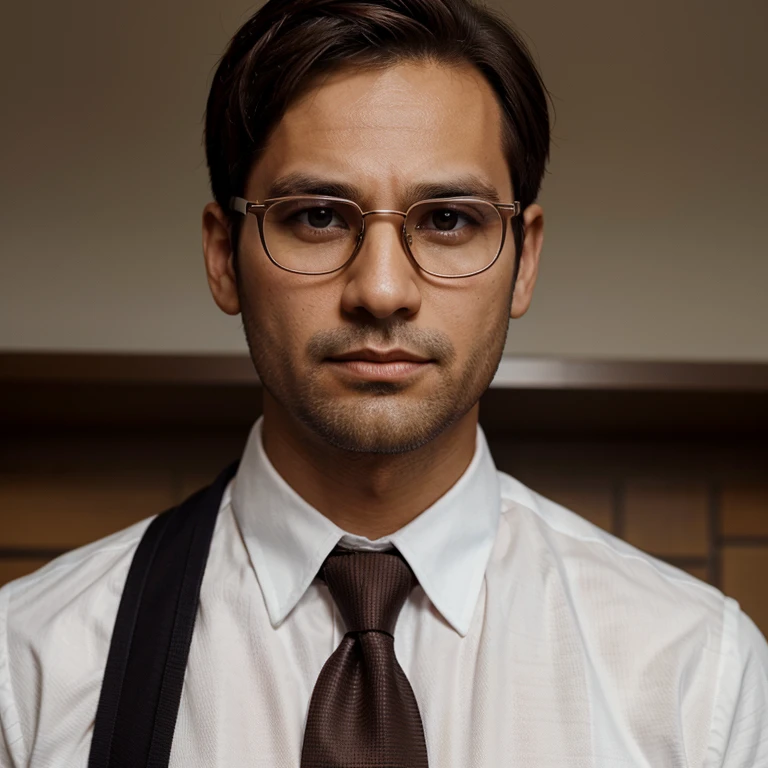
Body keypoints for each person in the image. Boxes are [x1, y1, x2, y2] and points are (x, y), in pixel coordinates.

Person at [1, 0, 767, 764]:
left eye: (447, 220)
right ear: (222, 255)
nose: (382, 290)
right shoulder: (29, 667)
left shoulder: (698, 679)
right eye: (318, 216)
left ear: (523, 261)